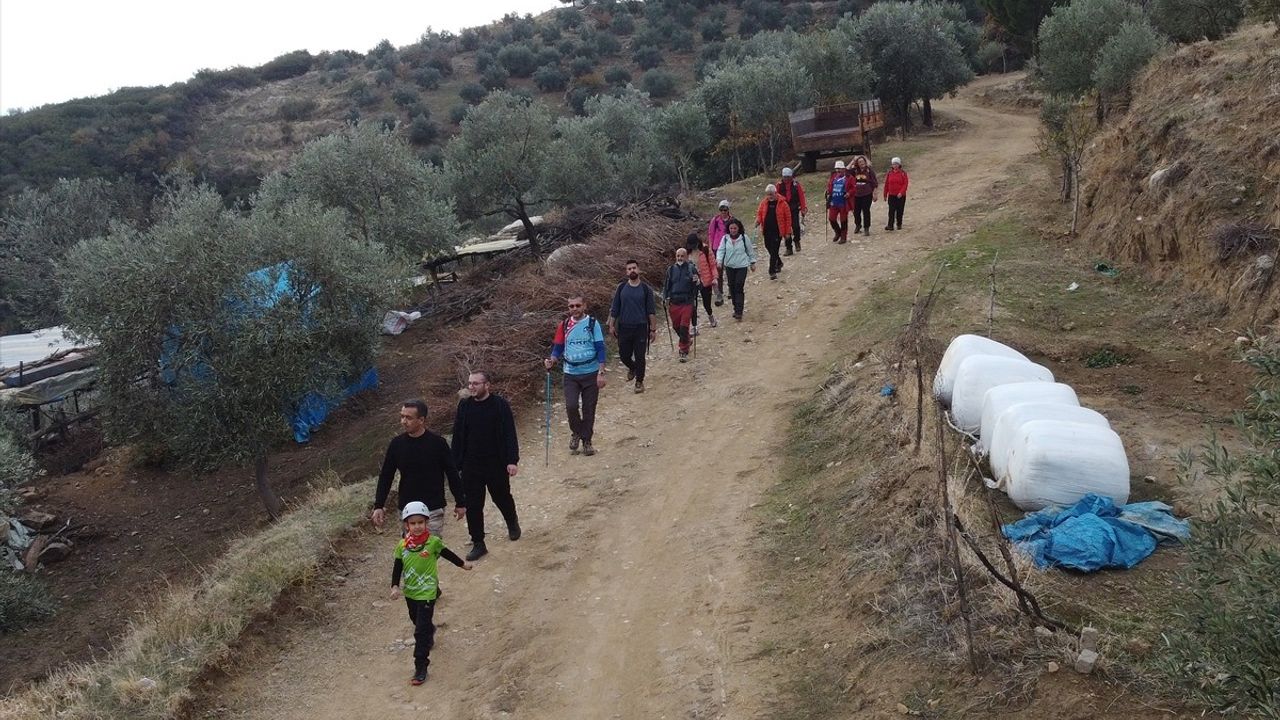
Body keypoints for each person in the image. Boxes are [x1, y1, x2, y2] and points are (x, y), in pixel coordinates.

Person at [390, 501, 473, 686]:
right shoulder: (402, 546)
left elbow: (448, 554)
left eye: (421, 522)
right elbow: (397, 567)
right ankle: (430, 630)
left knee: (419, 632)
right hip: (410, 593)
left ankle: (421, 667)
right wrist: (395, 586)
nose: (417, 526)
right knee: (416, 620)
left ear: (426, 523)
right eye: (413, 523)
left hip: (427, 592)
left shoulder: (433, 542)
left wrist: (462, 565)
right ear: (406, 525)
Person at [451, 372, 521, 561]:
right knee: (473, 505)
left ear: (487, 385)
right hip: (470, 465)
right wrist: (455, 463)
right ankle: (478, 543)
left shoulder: (499, 405)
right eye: (470, 383)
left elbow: (509, 433)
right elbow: (457, 435)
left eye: (476, 383)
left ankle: (511, 520)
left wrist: (512, 460)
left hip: (495, 463)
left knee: (501, 497)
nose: (471, 387)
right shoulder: (464, 406)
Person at [372, 400, 465, 537]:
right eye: (402, 416)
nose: (403, 421)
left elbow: (452, 473)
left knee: (429, 550)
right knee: (411, 552)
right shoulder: (396, 444)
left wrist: (460, 502)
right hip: (406, 507)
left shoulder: (438, 443)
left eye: (408, 418)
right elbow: (386, 475)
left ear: (421, 420)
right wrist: (379, 505)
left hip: (432, 507)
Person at [544, 295, 608, 456]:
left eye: (577, 305)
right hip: (570, 373)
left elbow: (600, 348)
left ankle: (587, 441)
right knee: (571, 406)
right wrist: (552, 360)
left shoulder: (592, 324)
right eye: (571, 306)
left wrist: (601, 372)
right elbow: (558, 347)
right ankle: (576, 432)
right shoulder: (564, 325)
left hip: (591, 372)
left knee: (589, 408)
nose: (574, 309)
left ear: (584, 306)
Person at [608, 260, 657, 394]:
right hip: (624, 326)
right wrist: (611, 325)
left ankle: (639, 382)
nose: (632, 271)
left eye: (634, 268)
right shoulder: (621, 288)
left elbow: (651, 311)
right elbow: (615, 308)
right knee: (624, 355)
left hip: (641, 327)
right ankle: (633, 367)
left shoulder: (646, 289)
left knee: (640, 356)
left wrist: (653, 329)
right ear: (626, 272)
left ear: (638, 269)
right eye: (629, 269)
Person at [714, 219, 757, 321]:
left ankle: (739, 311)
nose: (733, 230)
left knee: (739, 286)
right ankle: (735, 307)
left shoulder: (744, 238)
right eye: (731, 228)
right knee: (732, 287)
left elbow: (750, 251)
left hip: (742, 266)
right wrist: (719, 261)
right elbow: (721, 250)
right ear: (728, 229)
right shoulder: (725, 239)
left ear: (739, 228)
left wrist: (752, 262)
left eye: (735, 228)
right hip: (729, 267)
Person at [663, 246, 699, 362]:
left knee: (684, 327)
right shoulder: (671, 270)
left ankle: (683, 350)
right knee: (676, 326)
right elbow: (666, 286)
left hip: (687, 302)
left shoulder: (691, 268)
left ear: (686, 257)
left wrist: (697, 282)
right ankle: (687, 339)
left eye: (682, 256)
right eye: (678, 256)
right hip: (674, 303)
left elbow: (698, 285)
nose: (680, 258)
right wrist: (665, 297)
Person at [754, 184, 793, 280]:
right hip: (767, 230)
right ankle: (779, 263)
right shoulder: (764, 202)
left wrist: (788, 232)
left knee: (774, 250)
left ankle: (772, 271)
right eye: (768, 194)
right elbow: (760, 213)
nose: (769, 196)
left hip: (777, 231)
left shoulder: (783, 203)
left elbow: (788, 218)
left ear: (775, 193)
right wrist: (758, 221)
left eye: (771, 194)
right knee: (768, 247)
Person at [707, 200, 735, 304]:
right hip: (717, 248)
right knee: (718, 271)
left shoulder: (732, 220)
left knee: (730, 269)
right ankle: (719, 293)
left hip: (729, 247)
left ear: (728, 210)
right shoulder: (715, 220)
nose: (723, 211)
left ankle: (731, 291)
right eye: (721, 209)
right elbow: (711, 234)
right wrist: (710, 247)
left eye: (725, 209)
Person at [689, 233, 719, 331]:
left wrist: (715, 278)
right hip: (692, 283)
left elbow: (712, 265)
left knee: (707, 303)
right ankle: (694, 326)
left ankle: (710, 316)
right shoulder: (687, 253)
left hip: (705, 281)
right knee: (693, 305)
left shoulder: (705, 250)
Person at [777, 166, 807, 255]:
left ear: (791, 177)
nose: (786, 179)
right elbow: (776, 197)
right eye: (784, 177)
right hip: (783, 210)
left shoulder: (796, 185)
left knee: (796, 227)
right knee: (786, 229)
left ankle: (797, 241)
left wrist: (803, 208)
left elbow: (801, 197)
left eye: (788, 177)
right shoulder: (778, 185)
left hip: (794, 209)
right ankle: (788, 247)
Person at [850, 155, 878, 237]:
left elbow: (874, 183)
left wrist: (875, 193)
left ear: (865, 162)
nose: (861, 163)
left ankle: (866, 228)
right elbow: (846, 171)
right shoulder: (855, 171)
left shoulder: (869, 171)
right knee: (856, 212)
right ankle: (858, 225)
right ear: (857, 164)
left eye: (862, 161)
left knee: (866, 211)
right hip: (856, 194)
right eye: (859, 162)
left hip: (867, 194)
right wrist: (852, 161)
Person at [826, 160, 851, 244]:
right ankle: (838, 232)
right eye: (837, 169)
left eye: (839, 169)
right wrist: (828, 192)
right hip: (834, 201)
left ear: (844, 169)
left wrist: (849, 193)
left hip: (843, 202)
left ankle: (843, 236)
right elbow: (830, 186)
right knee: (831, 219)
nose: (838, 170)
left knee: (843, 220)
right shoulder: (833, 176)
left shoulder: (848, 177)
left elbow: (853, 188)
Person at [883, 157, 909, 231]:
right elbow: (887, 184)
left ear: (899, 164)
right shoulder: (890, 173)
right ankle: (890, 225)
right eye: (894, 164)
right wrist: (885, 194)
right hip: (891, 195)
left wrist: (901, 192)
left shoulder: (903, 173)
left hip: (900, 196)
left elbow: (905, 184)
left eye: (896, 164)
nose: (895, 165)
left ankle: (899, 224)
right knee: (891, 210)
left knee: (900, 210)